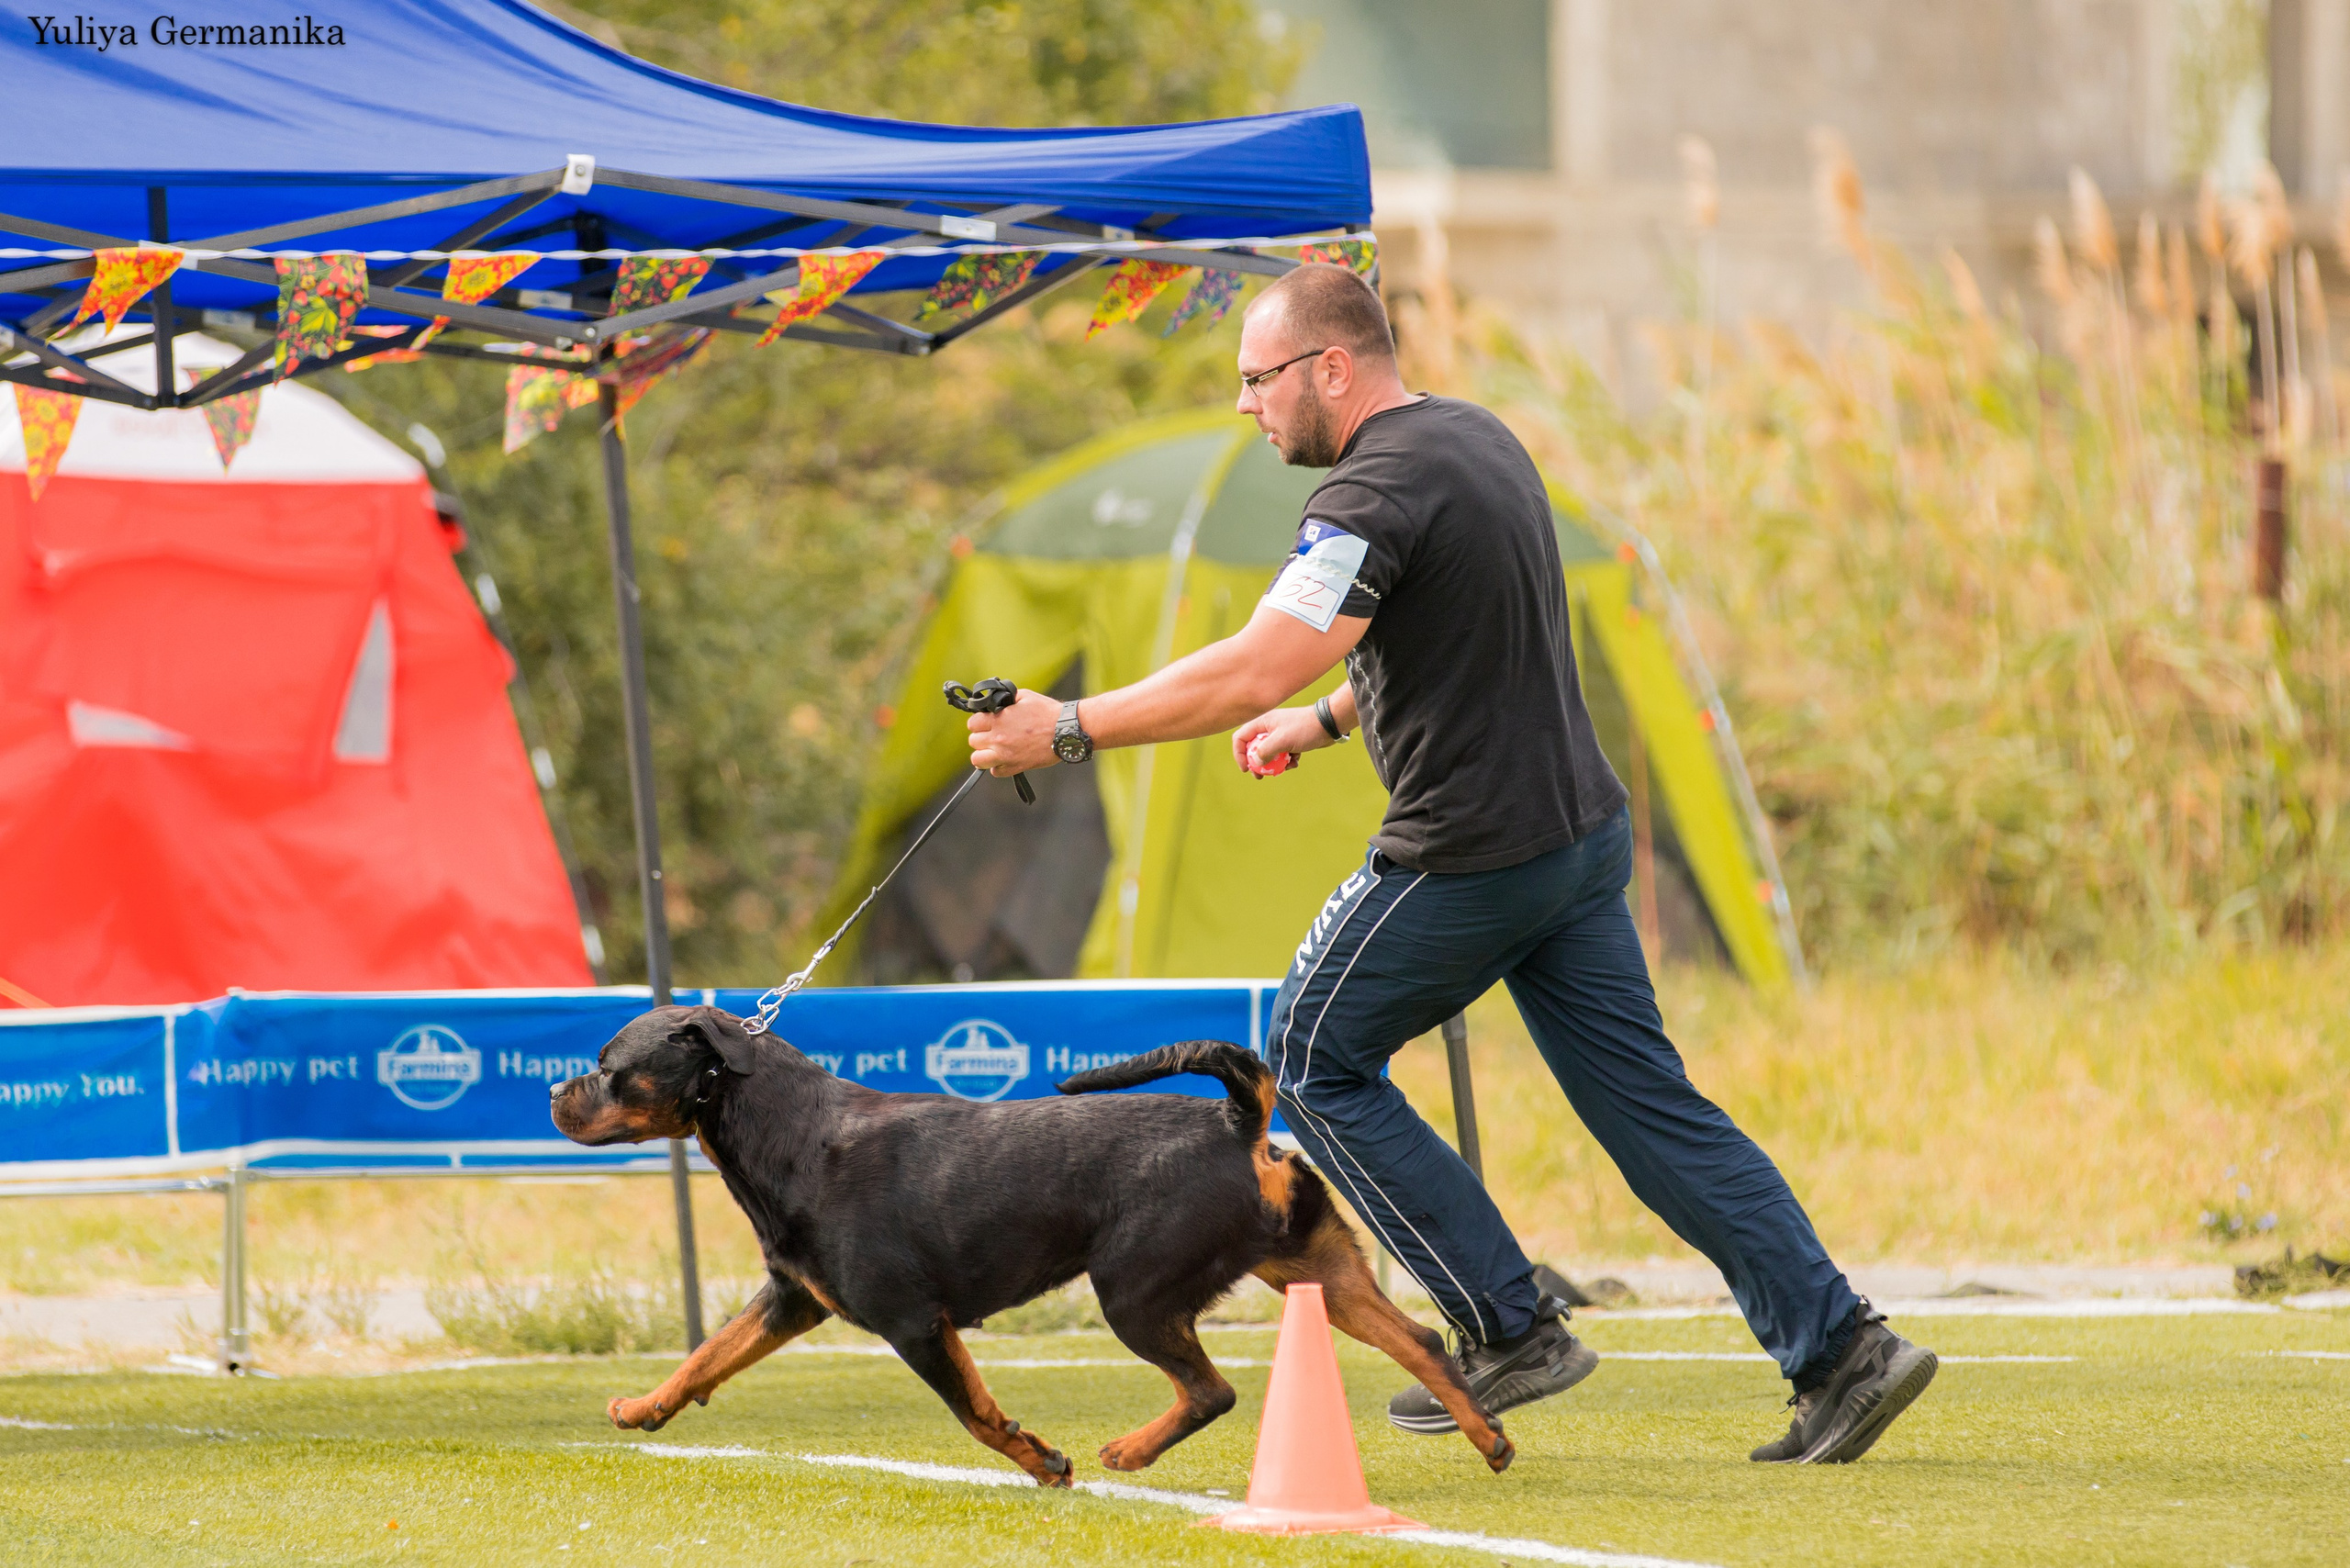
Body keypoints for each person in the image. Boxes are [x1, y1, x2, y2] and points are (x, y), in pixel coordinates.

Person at [964, 263, 1935, 1463]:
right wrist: (1324, 723)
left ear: (1331, 367)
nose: (1245, 406)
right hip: (1577, 842)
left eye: (1257, 380)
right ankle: (1845, 1350)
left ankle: (1504, 1325)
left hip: (1473, 853)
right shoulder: (1477, 442)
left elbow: (1254, 663)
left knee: (1313, 1056)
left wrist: (1064, 729)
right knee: (1653, 1117)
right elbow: (1447, 633)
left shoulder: (1367, 495)